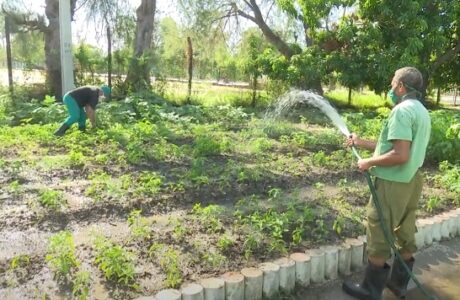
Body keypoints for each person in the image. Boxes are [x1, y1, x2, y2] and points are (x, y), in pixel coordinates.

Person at [342, 67, 431, 300]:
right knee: (406, 229)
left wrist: (368, 163)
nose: (391, 87)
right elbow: (397, 149)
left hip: (393, 183)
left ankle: (370, 290)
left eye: (393, 83)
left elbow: (400, 154)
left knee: (378, 230)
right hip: (412, 180)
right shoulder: (421, 110)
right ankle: (399, 285)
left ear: (401, 86)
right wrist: (360, 142)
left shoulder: (401, 112)